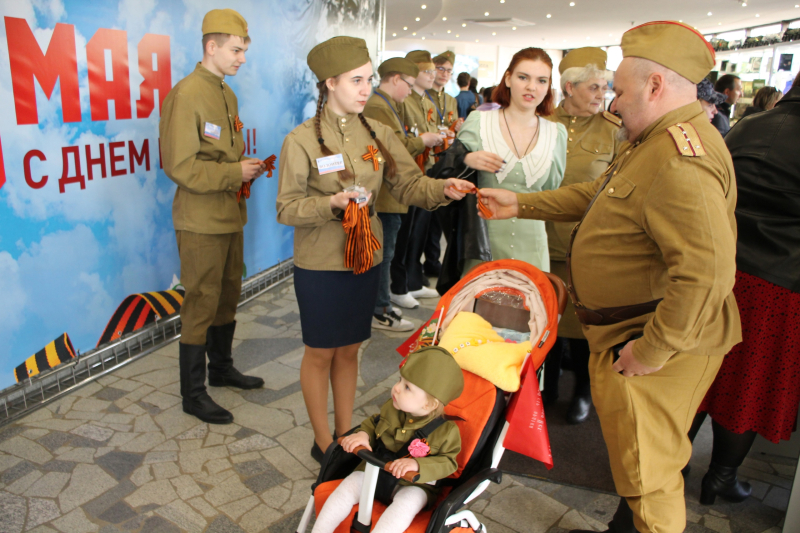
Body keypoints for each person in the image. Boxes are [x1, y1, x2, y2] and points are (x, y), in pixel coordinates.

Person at [478, 21, 741, 533]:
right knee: (638, 471)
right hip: (631, 333)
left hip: (652, 342)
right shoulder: (652, 140)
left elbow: (707, 276)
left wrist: (652, 350)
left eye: (619, 91)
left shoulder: (681, 158)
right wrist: (520, 203)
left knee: (651, 481)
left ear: (655, 86)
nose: (613, 103)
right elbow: (596, 194)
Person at [276, 37, 471, 462]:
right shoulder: (302, 141)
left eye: (369, 79)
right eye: (356, 80)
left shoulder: (379, 133)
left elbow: (408, 185)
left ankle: (346, 433)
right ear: (330, 84)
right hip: (321, 262)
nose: (366, 88)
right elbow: (286, 208)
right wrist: (330, 203)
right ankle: (322, 439)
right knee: (320, 351)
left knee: (349, 348)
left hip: (365, 257)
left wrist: (444, 188)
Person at [685, 69, 800, 506]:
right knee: (750, 382)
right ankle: (721, 477)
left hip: (721, 267)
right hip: (781, 284)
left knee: (699, 374)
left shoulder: (750, 125)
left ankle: (675, 463)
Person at [160, 9, 267, 425]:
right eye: (236, 50)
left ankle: (220, 369)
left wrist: (244, 170)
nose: (242, 58)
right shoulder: (186, 94)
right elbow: (180, 165)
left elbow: (221, 153)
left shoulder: (225, 92)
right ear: (212, 46)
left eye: (243, 50)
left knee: (226, 294)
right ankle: (193, 393)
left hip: (228, 214)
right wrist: (231, 172)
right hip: (200, 219)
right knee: (202, 300)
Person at [542, 47, 621, 424]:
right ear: (569, 87)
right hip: (541, 239)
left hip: (586, 245)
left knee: (582, 326)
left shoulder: (614, 130)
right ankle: (547, 386)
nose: (601, 95)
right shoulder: (543, 123)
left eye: (604, 87)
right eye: (594, 87)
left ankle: (583, 394)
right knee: (545, 321)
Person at [311, 346, 463, 533]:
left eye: (407, 387)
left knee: (405, 506)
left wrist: (418, 466)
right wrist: (362, 434)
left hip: (413, 485)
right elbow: (373, 423)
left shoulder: (446, 431)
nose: (396, 388)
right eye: (400, 380)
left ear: (429, 404)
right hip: (375, 470)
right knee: (345, 490)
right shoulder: (391, 408)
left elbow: (449, 463)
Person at [459, 47, 567, 274]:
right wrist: (466, 159)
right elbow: (446, 174)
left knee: (530, 307)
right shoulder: (480, 121)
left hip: (533, 246)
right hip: (484, 243)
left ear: (548, 87)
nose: (531, 87)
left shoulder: (556, 133)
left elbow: (551, 193)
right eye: (523, 77)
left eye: (541, 80)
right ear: (508, 78)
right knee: (478, 308)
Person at [363, 57, 423, 332]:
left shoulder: (385, 105)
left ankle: (381, 302)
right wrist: (423, 141)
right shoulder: (378, 106)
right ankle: (380, 308)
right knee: (383, 253)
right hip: (386, 194)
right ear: (396, 78)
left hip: (390, 193)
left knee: (385, 252)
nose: (410, 92)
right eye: (408, 85)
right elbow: (395, 149)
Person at [390, 50, 444, 308]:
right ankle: (400, 284)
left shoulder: (428, 101)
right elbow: (401, 141)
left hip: (426, 168)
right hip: (409, 172)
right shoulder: (402, 100)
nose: (433, 76)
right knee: (405, 233)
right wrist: (422, 140)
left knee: (419, 231)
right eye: (428, 71)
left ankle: (413, 278)